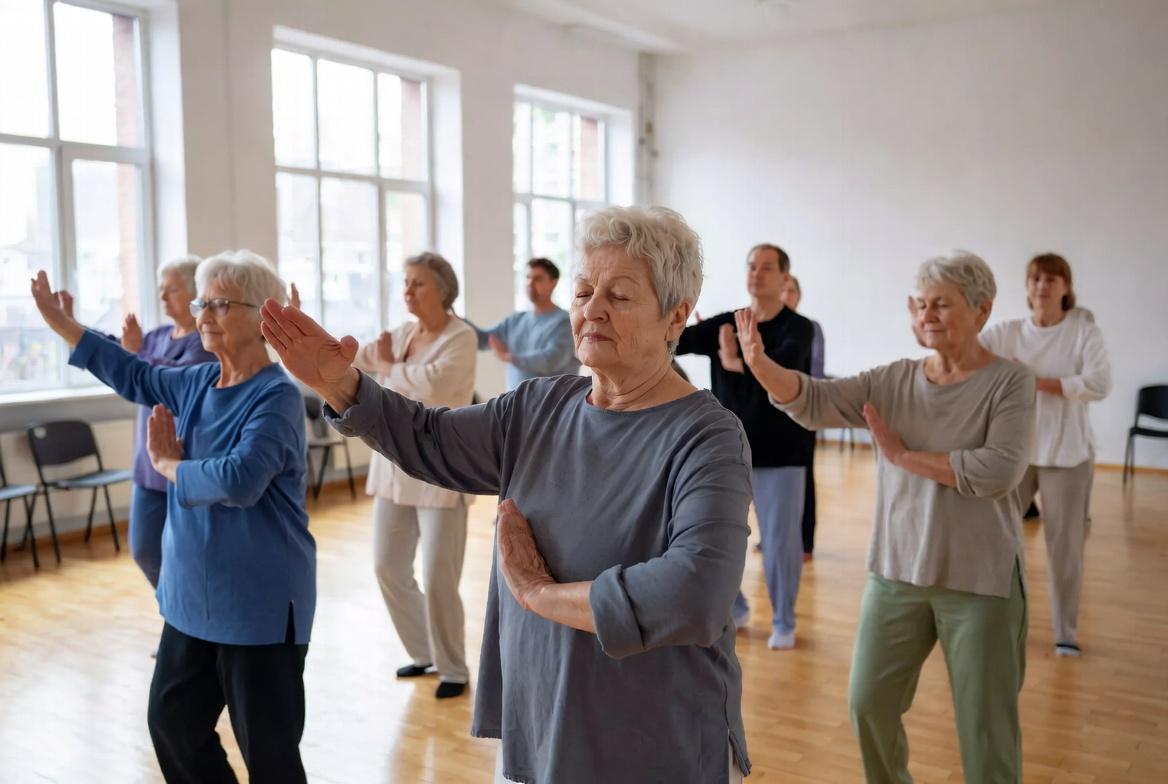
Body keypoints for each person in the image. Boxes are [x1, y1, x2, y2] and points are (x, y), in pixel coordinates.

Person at [262, 206, 752, 784]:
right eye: (584, 291)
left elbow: (695, 592)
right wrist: (339, 383)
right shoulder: (538, 407)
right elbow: (431, 439)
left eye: (619, 296)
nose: (592, 309)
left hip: (651, 740)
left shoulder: (708, 435)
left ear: (675, 318)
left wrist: (538, 593)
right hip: (541, 720)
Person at [737, 251, 1034, 783]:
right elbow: (815, 401)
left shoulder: (1009, 383)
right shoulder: (892, 380)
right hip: (895, 573)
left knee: (985, 730)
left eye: (941, 304)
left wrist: (903, 457)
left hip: (979, 581)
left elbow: (998, 472)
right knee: (868, 705)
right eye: (919, 304)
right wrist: (762, 368)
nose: (926, 315)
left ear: (982, 310)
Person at [31, 251, 314, 784]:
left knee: (269, 751)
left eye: (219, 303)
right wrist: (66, 326)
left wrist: (171, 466)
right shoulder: (195, 382)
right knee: (174, 726)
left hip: (259, 605)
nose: (202, 312)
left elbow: (240, 479)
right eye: (202, 300)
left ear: (262, 317)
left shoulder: (276, 395)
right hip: (190, 599)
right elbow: (133, 372)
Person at [351, 252, 477, 698]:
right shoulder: (401, 334)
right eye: (405, 282)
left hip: (441, 471)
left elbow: (435, 389)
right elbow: (356, 357)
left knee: (441, 576)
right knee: (387, 566)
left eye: (418, 283)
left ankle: (454, 668)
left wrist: (387, 370)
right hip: (393, 467)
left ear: (443, 289)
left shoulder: (462, 338)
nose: (408, 290)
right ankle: (424, 651)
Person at [677, 243, 814, 650]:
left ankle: (784, 621)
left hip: (782, 454)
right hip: (730, 452)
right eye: (752, 266)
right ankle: (733, 606)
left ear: (784, 278)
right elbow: (672, 340)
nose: (757, 274)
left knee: (779, 544)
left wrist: (739, 361)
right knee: (718, 537)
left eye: (767, 268)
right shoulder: (728, 323)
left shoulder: (798, 329)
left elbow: (784, 378)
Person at [57, 256, 216, 589]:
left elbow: (171, 381)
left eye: (170, 290)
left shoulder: (205, 342)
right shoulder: (156, 336)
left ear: (193, 292)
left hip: (187, 467)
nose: (162, 297)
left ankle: (185, 630)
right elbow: (114, 353)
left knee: (188, 557)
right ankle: (176, 620)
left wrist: (136, 355)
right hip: (149, 468)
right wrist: (68, 323)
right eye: (160, 289)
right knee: (145, 550)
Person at [981, 252, 1111, 656]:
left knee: (1064, 547)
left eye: (1052, 280)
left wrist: (1038, 381)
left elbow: (1099, 383)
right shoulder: (1008, 332)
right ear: (1028, 287)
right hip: (1015, 453)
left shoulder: (1083, 332)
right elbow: (970, 354)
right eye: (1036, 279)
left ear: (1065, 288)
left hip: (1068, 456)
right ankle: (989, 621)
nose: (1042, 286)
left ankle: (1065, 632)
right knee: (993, 536)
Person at [472, 257, 578, 390]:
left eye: (537, 279)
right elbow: (482, 340)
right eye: (528, 277)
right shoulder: (515, 320)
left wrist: (510, 358)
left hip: (553, 408)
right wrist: (450, 315)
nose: (530, 283)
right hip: (515, 405)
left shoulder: (564, 321)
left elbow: (552, 359)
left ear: (553, 283)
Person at [779, 274, 825, 560]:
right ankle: (775, 536)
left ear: (798, 296)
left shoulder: (808, 328)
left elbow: (815, 371)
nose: (785, 294)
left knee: (804, 478)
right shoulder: (766, 328)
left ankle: (805, 542)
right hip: (773, 416)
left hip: (803, 413)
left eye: (791, 290)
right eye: (782, 289)